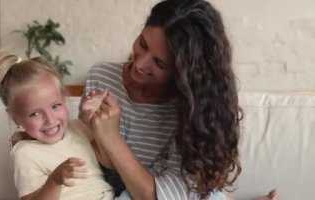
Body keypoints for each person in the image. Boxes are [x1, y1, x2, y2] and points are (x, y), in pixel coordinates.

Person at [79, 0, 277, 200]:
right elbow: (88, 160)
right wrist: (91, 130)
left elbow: (160, 197)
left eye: (159, 63)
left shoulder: (194, 114)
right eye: (143, 44)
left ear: (183, 72)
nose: (139, 64)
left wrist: (111, 137)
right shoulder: (102, 77)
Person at [0, 51, 113, 200]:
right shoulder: (25, 153)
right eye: (35, 113)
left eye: (55, 106)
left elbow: (109, 162)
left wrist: (96, 118)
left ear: (64, 101)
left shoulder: (78, 129)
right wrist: (54, 180)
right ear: (15, 118)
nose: (50, 119)